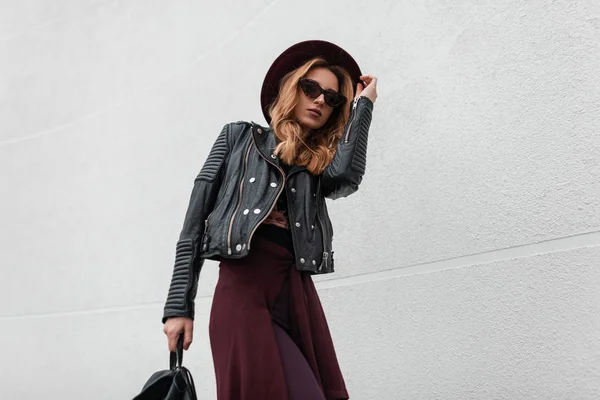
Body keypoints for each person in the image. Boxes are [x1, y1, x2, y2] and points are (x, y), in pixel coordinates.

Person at [161, 40, 377, 400]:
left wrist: (363, 105)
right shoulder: (237, 137)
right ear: (292, 89)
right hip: (243, 290)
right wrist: (178, 307)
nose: (321, 100)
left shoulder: (316, 164)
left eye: (332, 98)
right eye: (311, 88)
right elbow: (193, 228)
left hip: (296, 293)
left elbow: (346, 178)